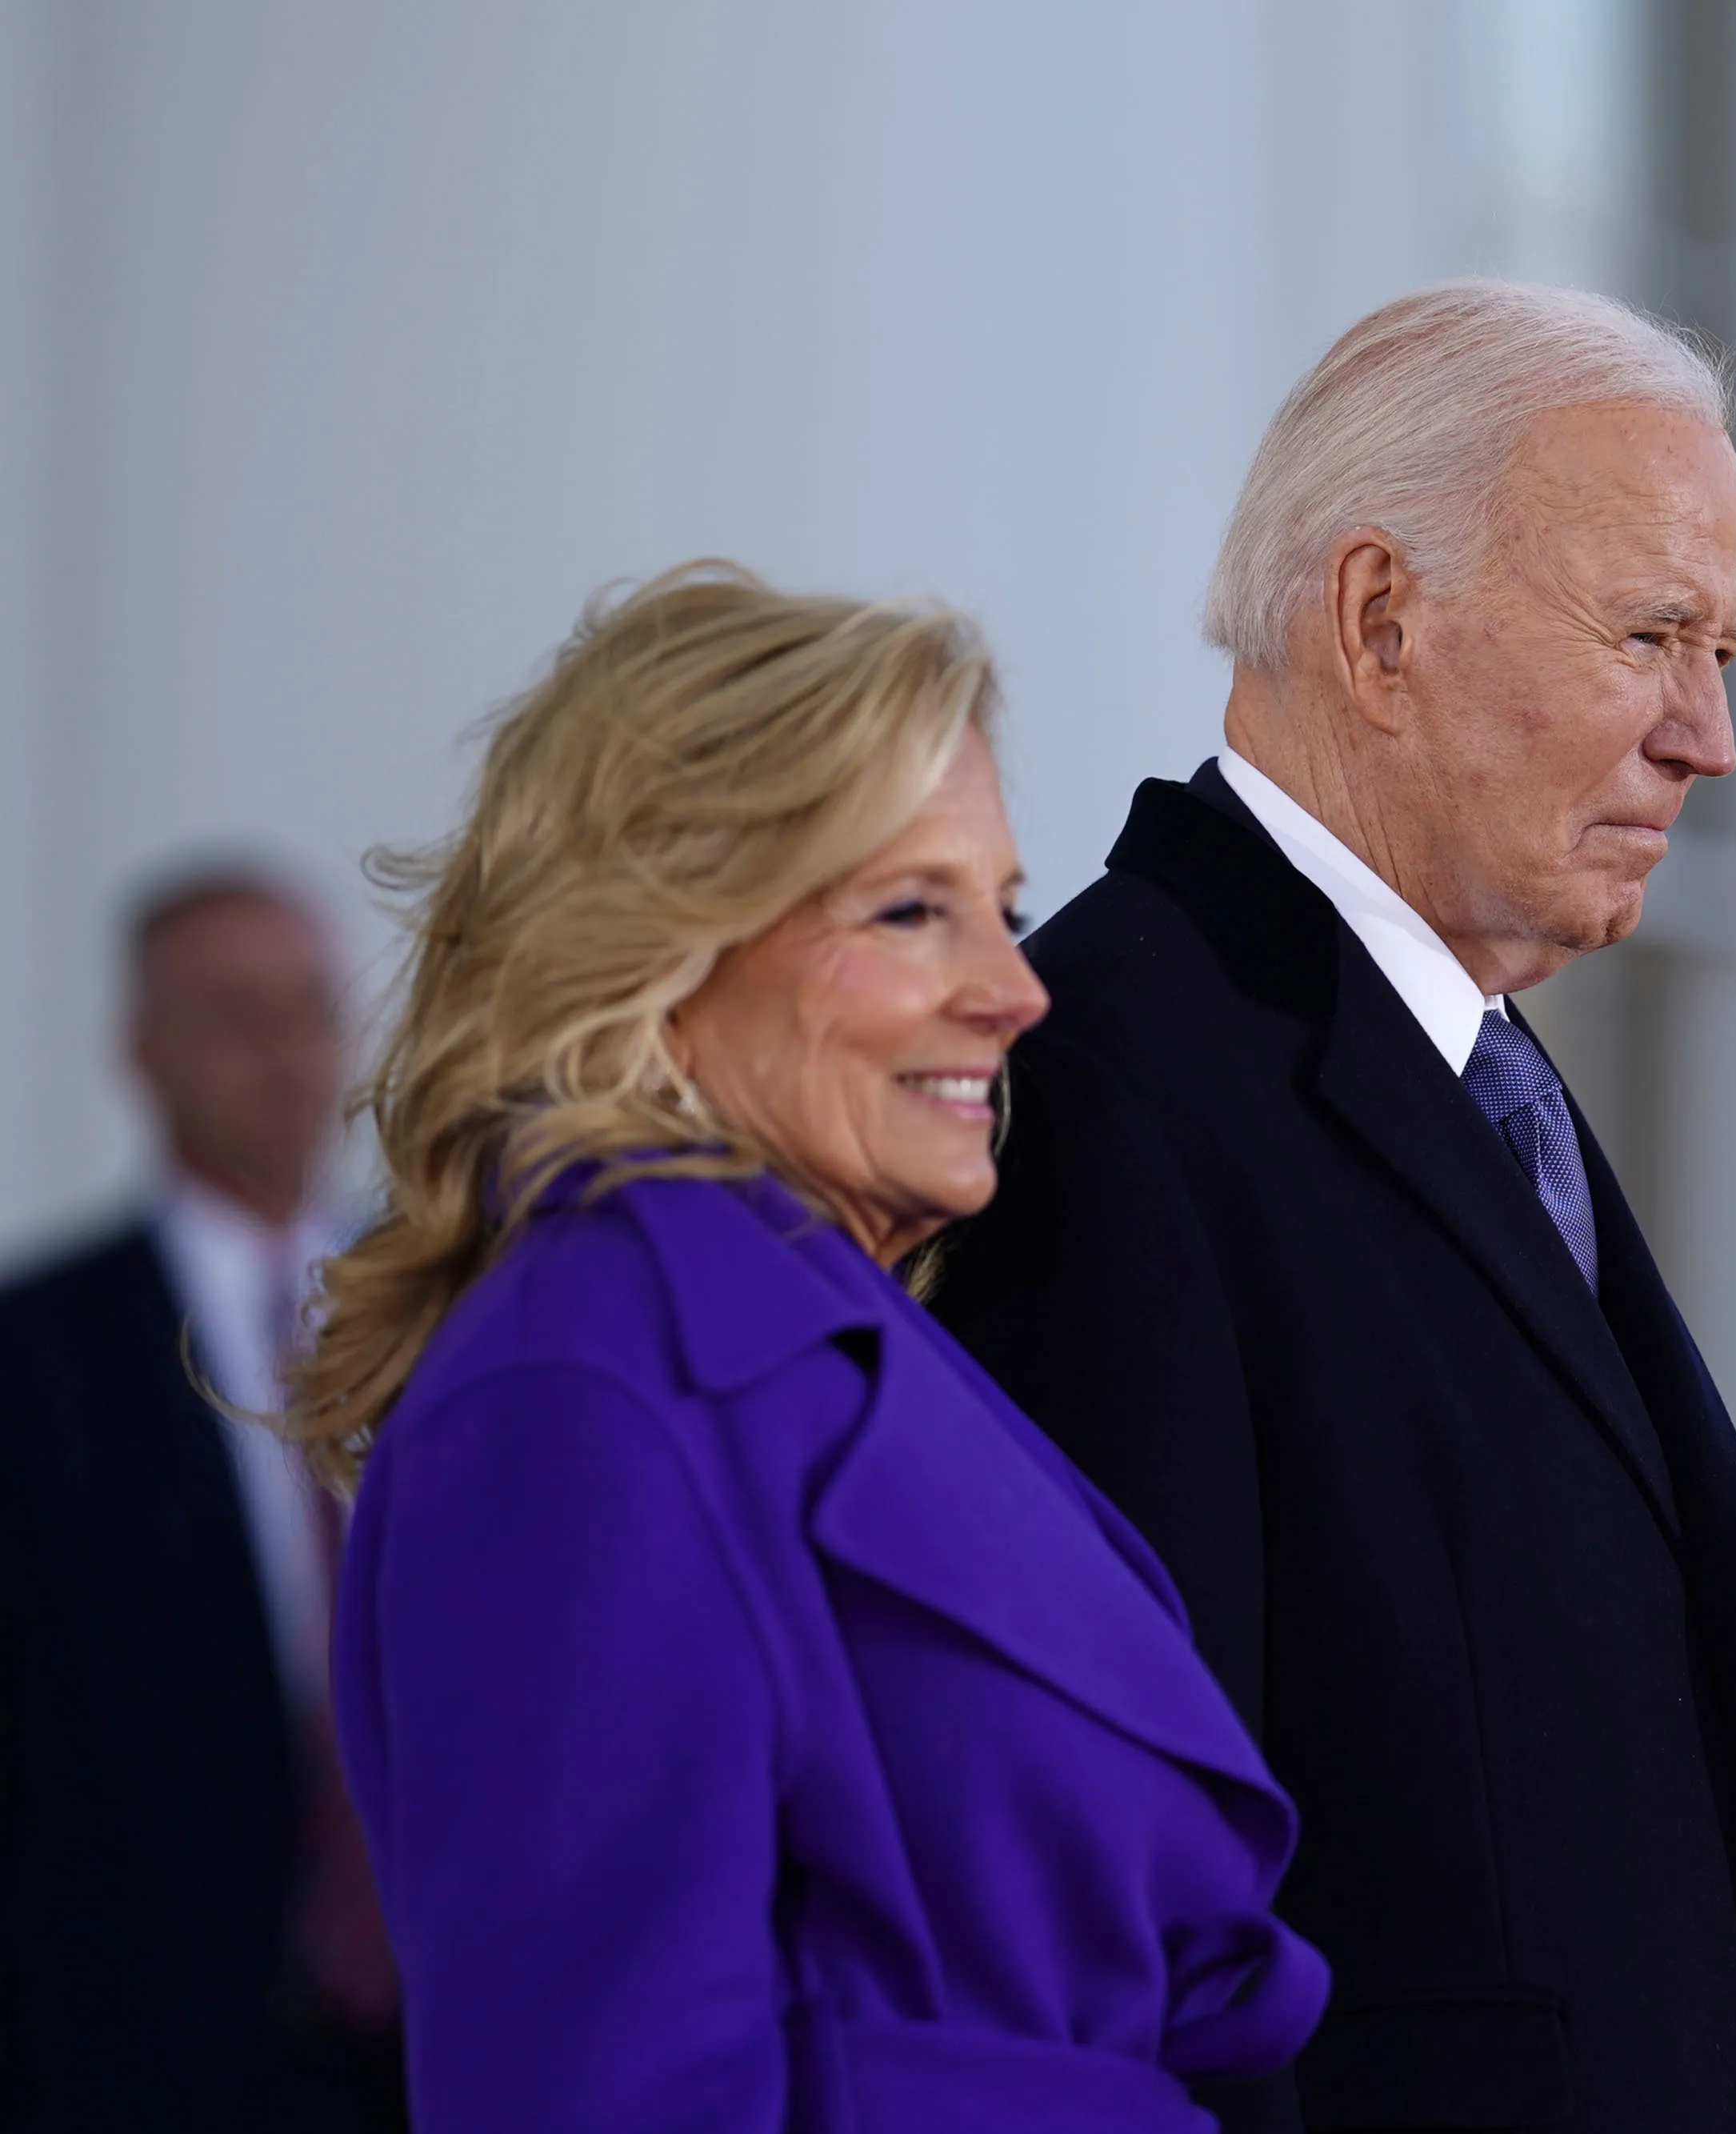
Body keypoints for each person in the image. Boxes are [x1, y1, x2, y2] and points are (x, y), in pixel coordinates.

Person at [934, 281, 1736, 2133]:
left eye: (1720, 648)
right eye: (1652, 632)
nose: (1706, 736)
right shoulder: (1107, 1093)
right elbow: (1123, 1930)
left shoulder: (1474, 1074)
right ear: (1377, 620)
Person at [279, 564, 1327, 2132]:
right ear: (661, 953)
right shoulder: (580, 1389)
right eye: (911, 910)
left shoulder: (821, 1351)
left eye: (1006, 908)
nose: (1016, 990)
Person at [0, 867, 406, 2133]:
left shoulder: (456, 1318)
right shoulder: (36, 1356)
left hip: (434, 2043)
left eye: (309, 1012)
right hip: (135, 2052)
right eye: (235, 1015)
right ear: (143, 1049)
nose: (284, 1055)